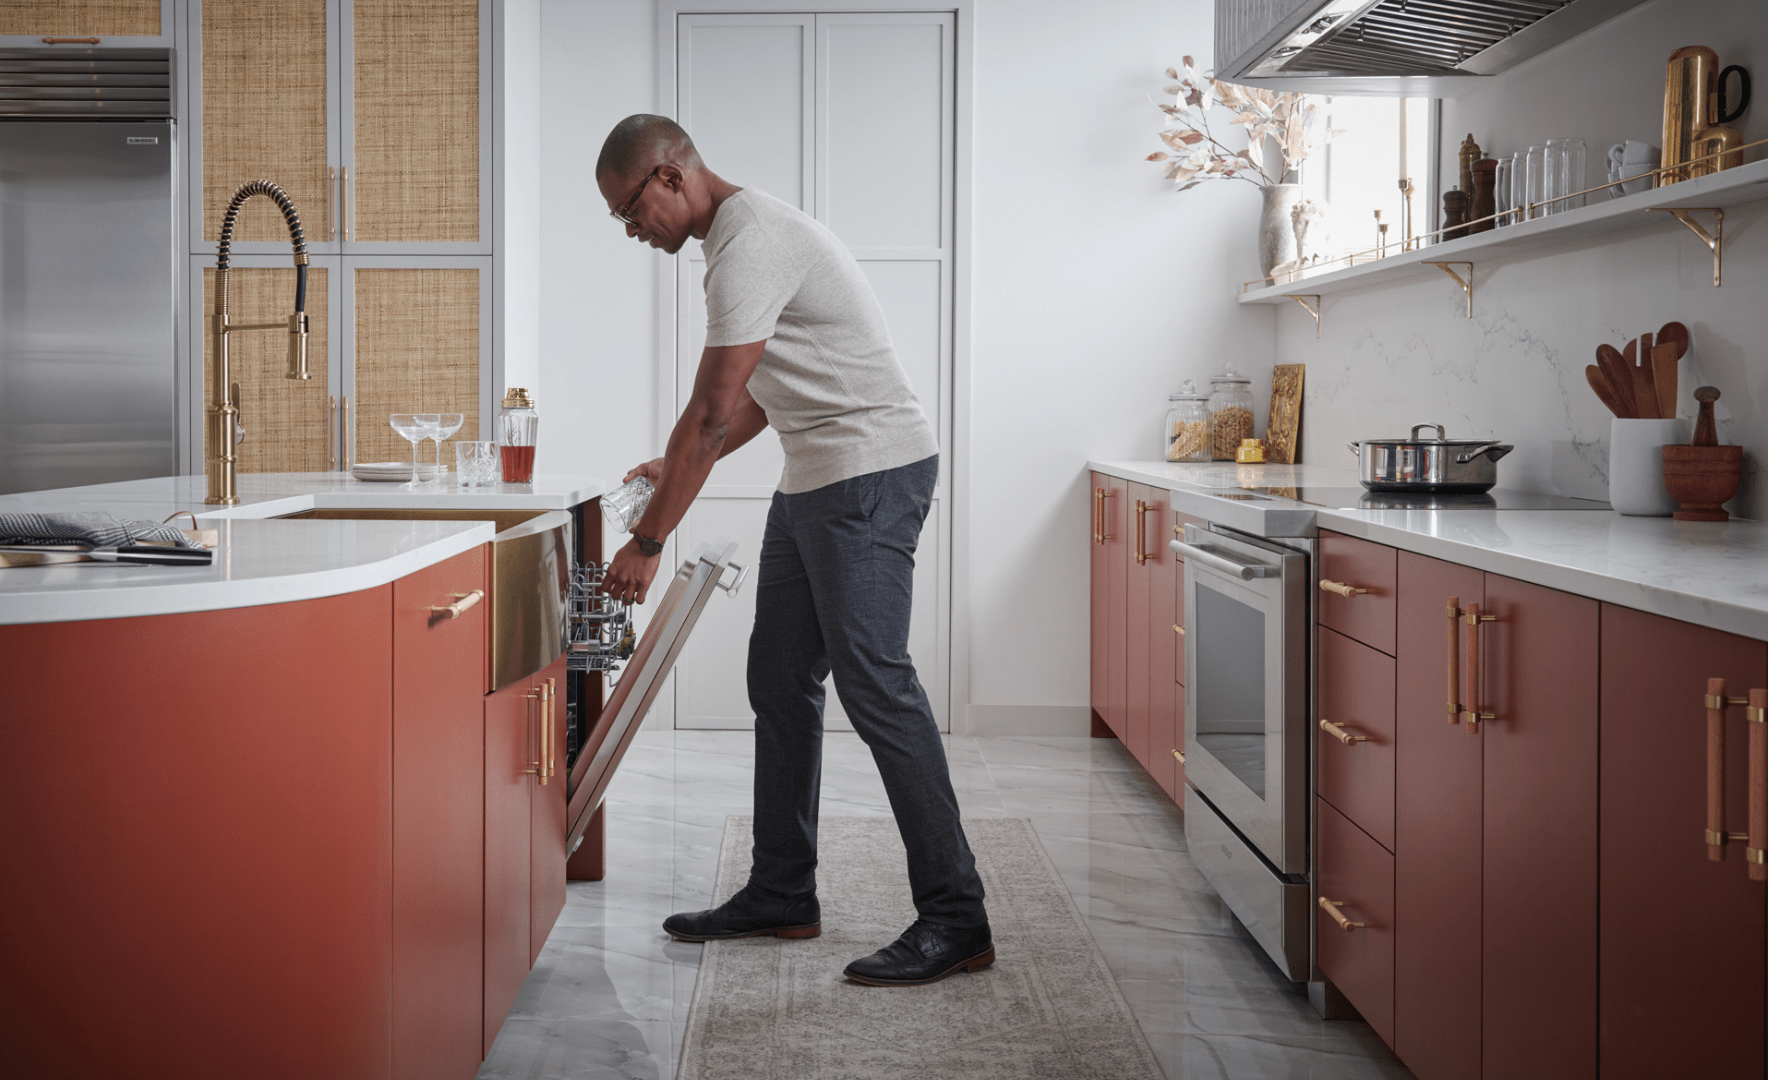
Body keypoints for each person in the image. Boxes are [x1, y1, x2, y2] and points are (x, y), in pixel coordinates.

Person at [595, 114, 991, 987]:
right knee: (778, 675)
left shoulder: (751, 244)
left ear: (670, 175)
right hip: (818, 472)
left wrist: (649, 538)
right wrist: (675, 467)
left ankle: (957, 916)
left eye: (632, 209)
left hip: (870, 473)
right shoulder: (735, 243)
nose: (633, 230)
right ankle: (782, 893)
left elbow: (709, 412)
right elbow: (764, 402)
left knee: (877, 683)